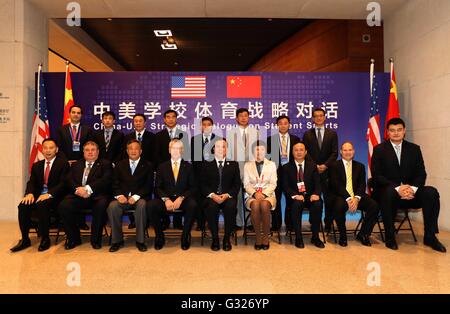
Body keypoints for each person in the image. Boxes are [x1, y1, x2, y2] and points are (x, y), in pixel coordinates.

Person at [371, 118, 446, 252]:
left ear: (404, 131)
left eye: (399, 130)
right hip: (388, 194)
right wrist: (398, 188)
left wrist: (412, 189)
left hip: (411, 193)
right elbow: (377, 176)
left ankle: (430, 235)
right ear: (387, 132)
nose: (396, 133)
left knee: (431, 192)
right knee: (389, 192)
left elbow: (421, 174)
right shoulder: (379, 150)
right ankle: (390, 236)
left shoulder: (414, 149)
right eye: (392, 130)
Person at [10, 139, 69, 252]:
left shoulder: (63, 164)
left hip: (55, 196)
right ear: (42, 150)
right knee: (23, 205)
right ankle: (25, 239)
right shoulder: (37, 165)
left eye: (51, 148)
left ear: (56, 150)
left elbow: (64, 183)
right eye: (45, 148)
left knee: (42, 204)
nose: (48, 150)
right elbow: (31, 182)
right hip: (39, 196)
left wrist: (49, 194)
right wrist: (30, 193)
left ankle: (45, 239)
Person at [58, 141, 112, 250]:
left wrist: (87, 189)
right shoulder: (76, 164)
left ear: (98, 152)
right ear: (83, 152)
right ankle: (74, 238)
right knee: (63, 206)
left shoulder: (105, 164)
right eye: (87, 150)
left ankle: (95, 240)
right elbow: (69, 180)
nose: (90, 152)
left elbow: (106, 180)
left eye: (93, 150)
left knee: (101, 206)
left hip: (97, 196)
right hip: (78, 195)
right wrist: (78, 190)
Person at [147, 139, 197, 250]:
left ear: (182, 150)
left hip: (182, 199)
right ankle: (159, 236)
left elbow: (193, 187)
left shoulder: (188, 167)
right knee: (151, 205)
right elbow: (157, 188)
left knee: (192, 205)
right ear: (169, 150)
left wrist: (181, 198)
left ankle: (185, 237)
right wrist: (166, 199)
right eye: (173, 148)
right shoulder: (162, 167)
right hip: (166, 199)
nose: (175, 151)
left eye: (178, 148)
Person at [328, 142, 379, 247]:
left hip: (356, 195)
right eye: (345, 150)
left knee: (374, 205)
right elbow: (336, 185)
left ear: (354, 151)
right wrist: (348, 198)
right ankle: (343, 235)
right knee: (339, 206)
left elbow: (361, 184)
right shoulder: (334, 166)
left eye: (350, 150)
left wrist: (356, 198)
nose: (348, 152)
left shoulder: (360, 166)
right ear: (341, 152)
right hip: (340, 195)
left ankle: (364, 234)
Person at [107, 139, 154, 252]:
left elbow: (148, 186)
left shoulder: (148, 165)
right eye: (131, 149)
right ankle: (117, 240)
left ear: (141, 151)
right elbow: (114, 183)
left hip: (139, 198)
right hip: (122, 198)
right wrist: (119, 196)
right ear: (127, 151)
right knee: (112, 207)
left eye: (136, 148)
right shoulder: (119, 165)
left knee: (142, 205)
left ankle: (140, 241)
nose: (133, 151)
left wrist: (136, 196)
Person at [282, 142, 325, 249]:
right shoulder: (286, 167)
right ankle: (298, 237)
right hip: (295, 198)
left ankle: (315, 236)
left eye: (301, 150)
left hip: (310, 196)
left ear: (305, 152)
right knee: (296, 205)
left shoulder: (312, 166)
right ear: (292, 153)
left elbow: (318, 184)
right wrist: (295, 195)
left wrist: (316, 194)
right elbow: (285, 186)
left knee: (318, 204)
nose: (299, 152)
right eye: (296, 150)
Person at [201, 139, 241, 251]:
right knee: (211, 207)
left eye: (223, 147)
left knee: (230, 207)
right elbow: (203, 184)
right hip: (212, 197)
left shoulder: (233, 164)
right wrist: (212, 195)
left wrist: (227, 195)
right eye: (217, 146)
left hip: (227, 197)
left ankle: (226, 238)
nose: (220, 149)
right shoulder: (206, 164)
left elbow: (237, 184)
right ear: (213, 149)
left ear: (226, 150)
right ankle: (215, 238)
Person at [302, 108, 338, 232]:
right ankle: (314, 223)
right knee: (314, 198)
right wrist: (315, 166)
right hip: (312, 173)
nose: (318, 118)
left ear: (325, 117)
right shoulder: (307, 134)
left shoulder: (332, 134)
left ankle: (328, 223)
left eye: (321, 115)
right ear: (312, 119)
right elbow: (305, 153)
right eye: (316, 116)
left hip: (328, 172)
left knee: (328, 199)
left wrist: (325, 165)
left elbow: (334, 153)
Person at [154, 110, 190, 229]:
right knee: (164, 193)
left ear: (176, 119)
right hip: (164, 171)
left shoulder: (183, 134)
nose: (170, 119)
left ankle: (178, 221)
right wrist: (163, 168)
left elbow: (186, 153)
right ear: (164, 119)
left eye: (173, 117)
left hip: (181, 169)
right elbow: (157, 154)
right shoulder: (158, 135)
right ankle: (165, 220)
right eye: (168, 117)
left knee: (180, 189)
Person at [227, 108, 260, 229]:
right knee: (237, 195)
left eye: (245, 115)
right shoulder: (231, 133)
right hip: (236, 167)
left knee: (250, 195)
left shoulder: (255, 132)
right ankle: (238, 222)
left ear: (249, 117)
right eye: (240, 116)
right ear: (236, 118)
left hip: (252, 168)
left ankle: (250, 222)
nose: (243, 118)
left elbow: (258, 151)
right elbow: (229, 152)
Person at [267, 115, 300, 231]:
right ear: (277, 125)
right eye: (280, 123)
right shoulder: (270, 139)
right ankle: (276, 224)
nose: (283, 125)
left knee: (291, 198)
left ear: (289, 125)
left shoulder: (296, 139)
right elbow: (267, 159)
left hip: (292, 174)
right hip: (275, 174)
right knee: (275, 198)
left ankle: (290, 224)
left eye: (285, 123)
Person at [123, 113, 155, 229]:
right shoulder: (127, 137)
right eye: (135, 121)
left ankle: (144, 221)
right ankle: (133, 221)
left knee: (144, 194)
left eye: (140, 121)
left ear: (144, 122)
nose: (138, 123)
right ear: (133, 123)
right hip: (131, 169)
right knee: (129, 190)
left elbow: (154, 154)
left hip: (146, 170)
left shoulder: (152, 136)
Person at [243, 141, 277, 250]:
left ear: (265, 151)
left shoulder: (271, 164)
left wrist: (263, 194)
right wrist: (254, 193)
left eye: (262, 149)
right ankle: (258, 237)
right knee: (256, 205)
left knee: (264, 205)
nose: (259, 152)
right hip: (251, 195)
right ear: (253, 151)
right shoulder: (247, 165)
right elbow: (246, 184)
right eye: (256, 149)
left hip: (268, 194)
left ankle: (265, 237)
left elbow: (273, 183)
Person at [190, 117, 221, 232]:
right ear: (201, 126)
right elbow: (194, 159)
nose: (206, 126)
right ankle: (201, 223)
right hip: (198, 175)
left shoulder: (218, 140)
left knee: (213, 200)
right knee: (199, 200)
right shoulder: (195, 140)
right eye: (204, 124)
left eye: (209, 124)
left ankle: (213, 223)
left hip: (214, 176)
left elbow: (219, 158)